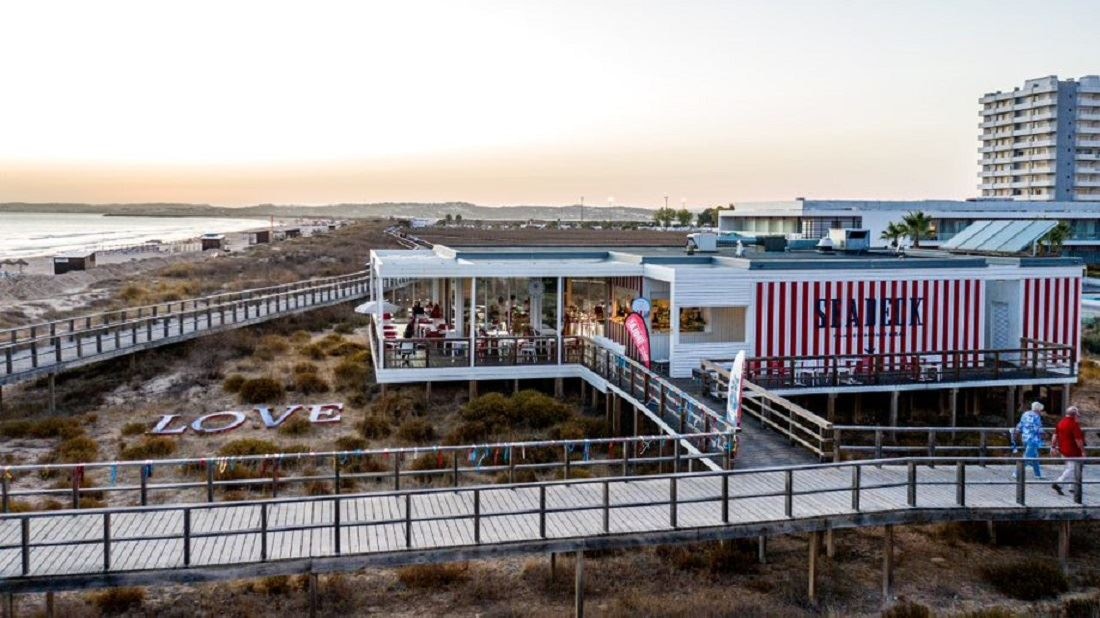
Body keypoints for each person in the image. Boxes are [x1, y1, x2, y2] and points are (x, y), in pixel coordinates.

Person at [1051, 406, 1086, 496]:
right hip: (1073, 451)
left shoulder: (1061, 423)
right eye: (1077, 415)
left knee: (1070, 468)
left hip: (1063, 450)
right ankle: (1058, 483)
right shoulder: (1074, 424)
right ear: (1075, 415)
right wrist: (1083, 451)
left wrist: (1053, 446)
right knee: (1072, 468)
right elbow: (1078, 440)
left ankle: (1072, 487)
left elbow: (1055, 436)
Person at [1012, 401, 1046, 480]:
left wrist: (1016, 432)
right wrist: (1043, 435)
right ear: (1038, 409)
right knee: (1027, 457)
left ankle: (1038, 474)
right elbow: (1038, 428)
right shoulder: (1037, 416)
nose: (1041, 411)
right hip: (1033, 439)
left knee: (1034, 456)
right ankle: (1017, 473)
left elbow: (1020, 425)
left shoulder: (1025, 414)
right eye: (1040, 410)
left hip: (1024, 438)